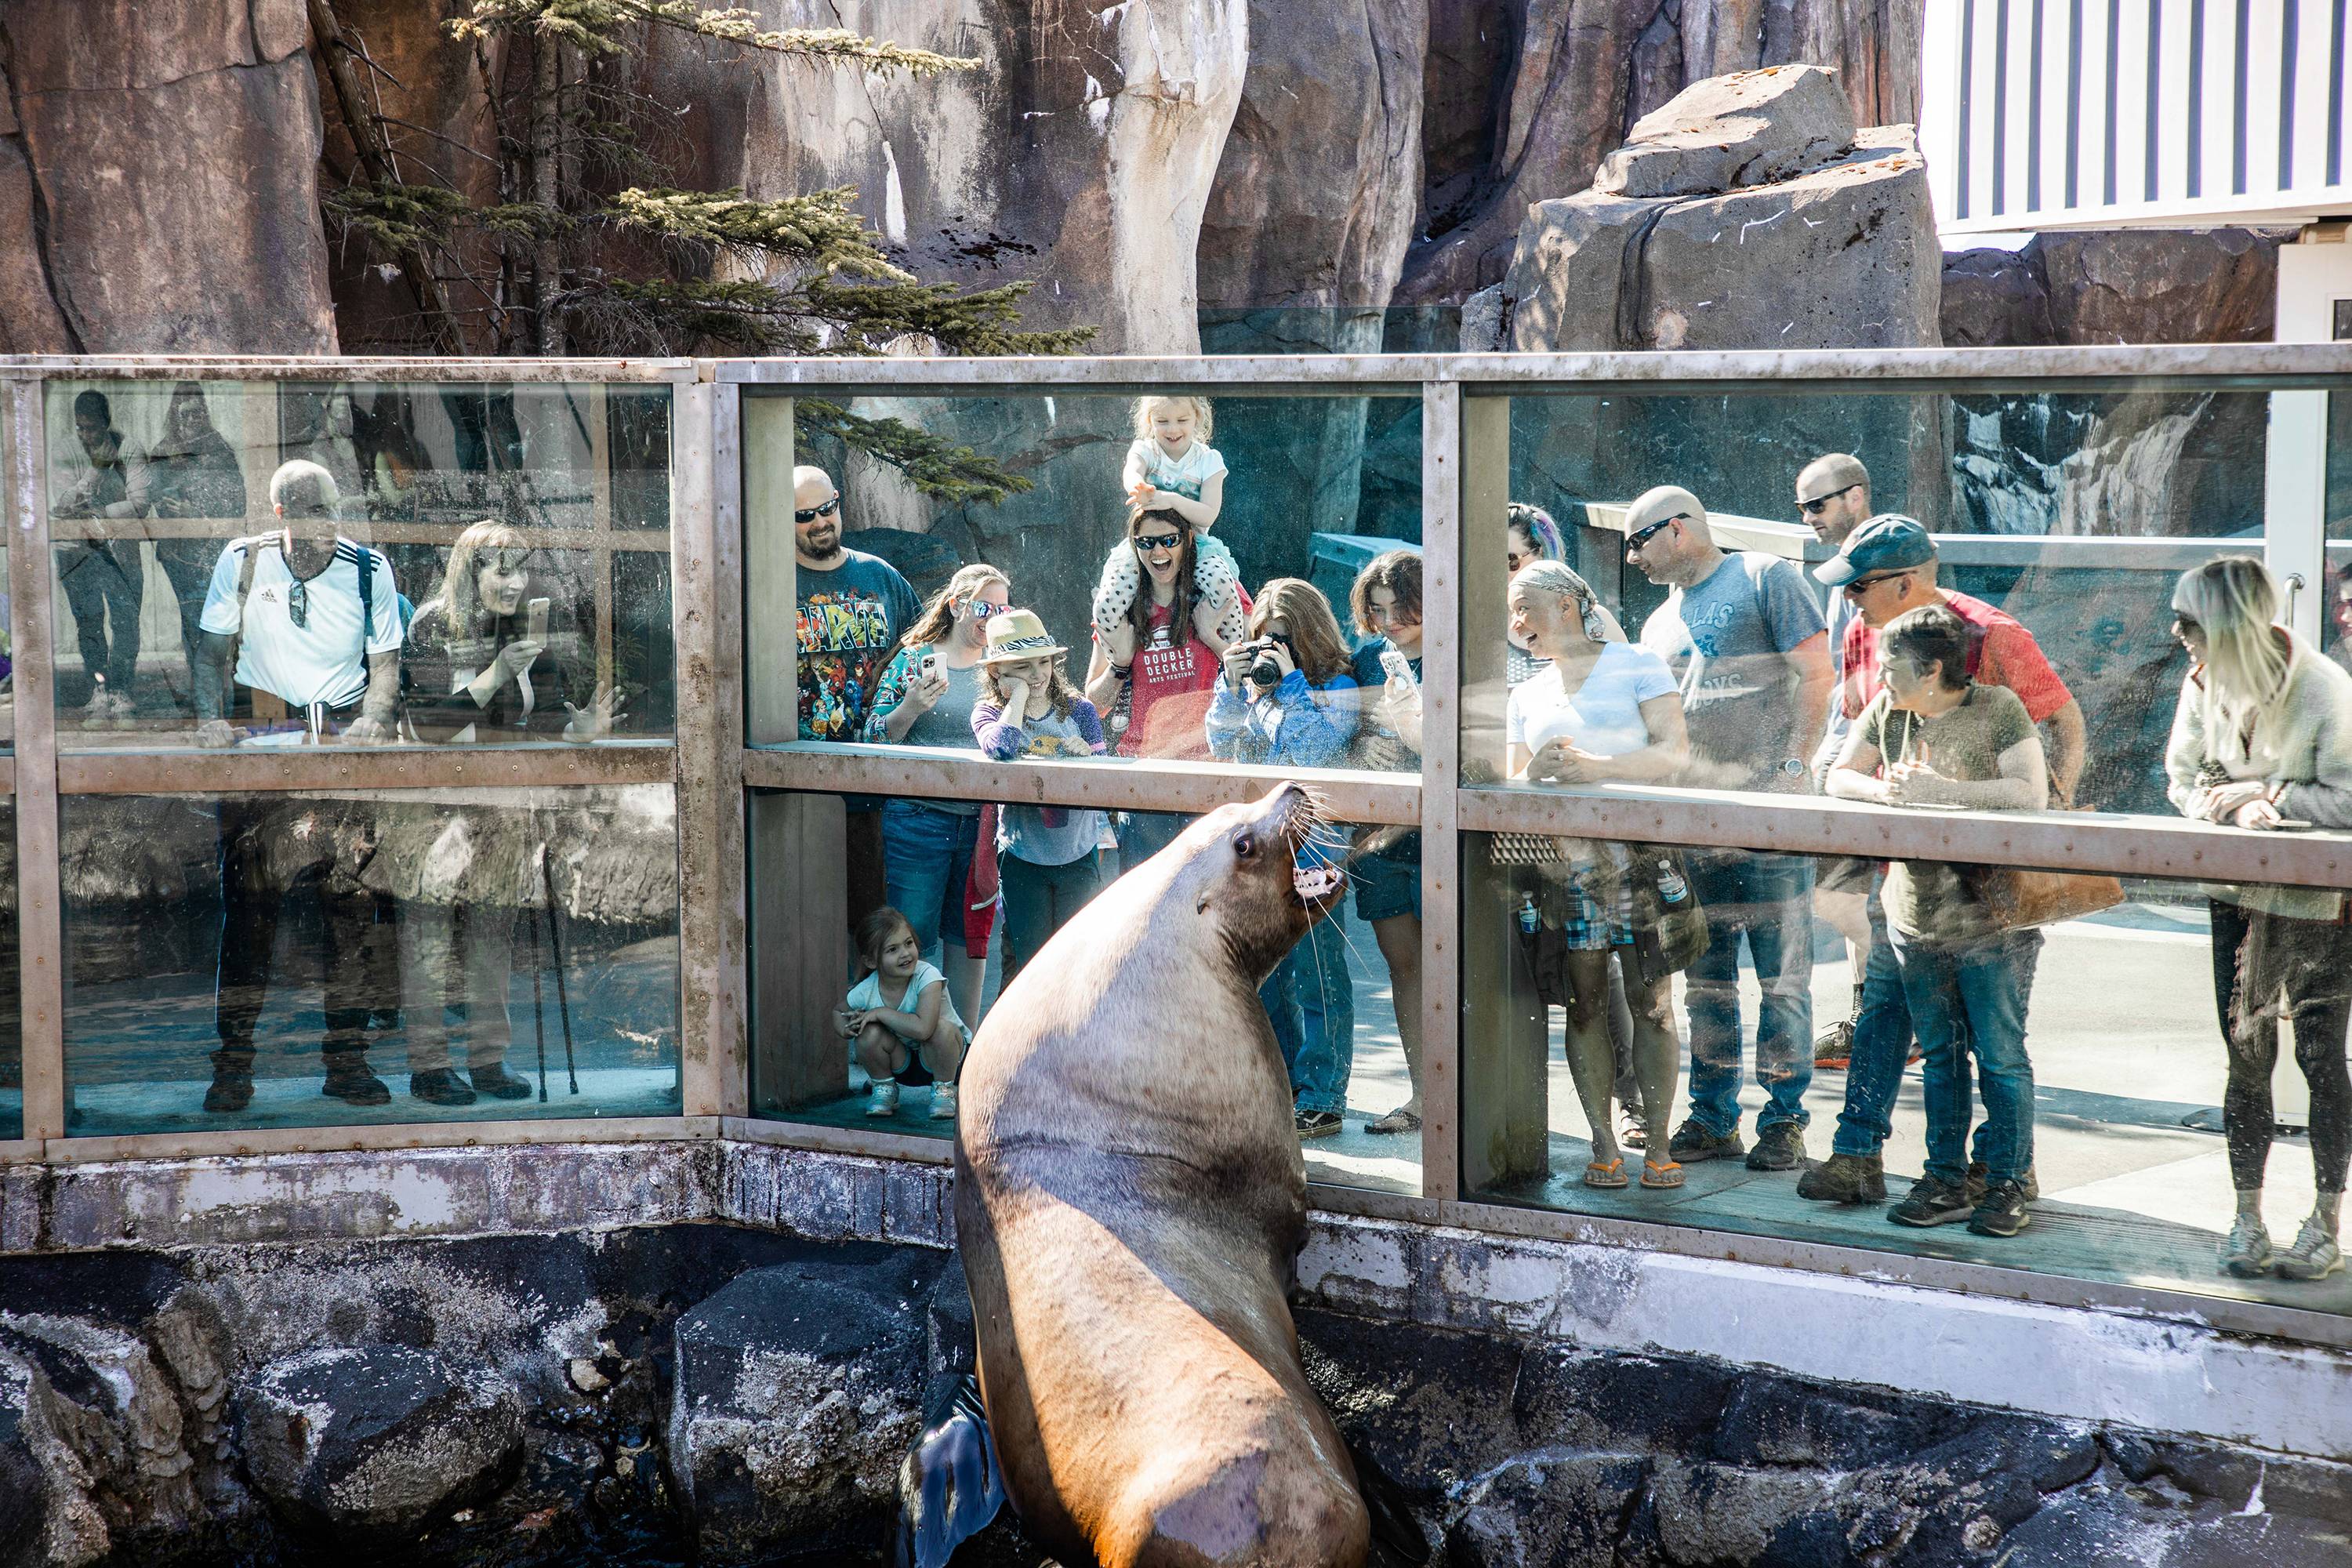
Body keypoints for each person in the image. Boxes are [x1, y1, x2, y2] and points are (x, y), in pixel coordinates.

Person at [1799, 514, 2083, 1210]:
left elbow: (2065, 725)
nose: (1848, 601)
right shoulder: (1872, 630)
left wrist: (2035, 838)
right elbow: (1861, 735)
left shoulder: (1998, 640)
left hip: (1992, 891)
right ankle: (1861, 1154)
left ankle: (2002, 1171)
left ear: (1907, 583)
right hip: (1903, 878)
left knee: (1995, 1037)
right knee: (1888, 1014)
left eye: (1859, 586)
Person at [1624, 485, 1831, 1174]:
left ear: (1676, 529)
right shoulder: (1657, 625)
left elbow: (1815, 671)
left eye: (1638, 541)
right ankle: (1714, 1118)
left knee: (1783, 981)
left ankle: (1784, 1122)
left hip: (1768, 820)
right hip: (1695, 831)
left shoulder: (1764, 575)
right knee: (1706, 984)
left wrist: (1795, 766)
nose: (1632, 557)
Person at [1828, 604, 2050, 1240]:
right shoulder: (1889, 711)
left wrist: (1940, 791)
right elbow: (1839, 774)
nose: (1880, 677)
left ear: (1931, 670)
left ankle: (2005, 1182)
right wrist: (1885, 791)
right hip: (1914, 918)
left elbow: (2027, 793)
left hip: (1988, 921)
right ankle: (1945, 1179)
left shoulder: (1996, 708)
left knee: (2001, 1057)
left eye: (1891, 666)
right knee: (1944, 1058)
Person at [195, 461, 405, 1114]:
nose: (320, 530)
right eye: (306, 515)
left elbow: (386, 664)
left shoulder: (368, 570)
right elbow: (210, 652)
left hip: (341, 758)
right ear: (280, 512)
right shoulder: (244, 561)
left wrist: (374, 717)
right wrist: (209, 718)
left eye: (330, 514)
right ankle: (233, 1065)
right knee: (250, 916)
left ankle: (347, 1060)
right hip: (262, 753)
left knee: (348, 914)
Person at [2164, 557, 2352, 1282]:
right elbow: (2184, 778)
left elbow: (2349, 797)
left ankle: (2325, 1220)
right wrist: (2227, 804)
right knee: (2245, 1059)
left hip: (2316, 904)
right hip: (2236, 895)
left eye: (2190, 622)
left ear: (2230, 626)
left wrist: (2268, 795)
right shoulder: (2203, 683)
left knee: (2320, 1059)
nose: (2178, 634)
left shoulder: (2322, 689)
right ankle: (2247, 1216)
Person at [388, 520, 620, 1105]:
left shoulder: (526, 628)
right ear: (471, 572)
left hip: (502, 806)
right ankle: (429, 1065)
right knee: (430, 937)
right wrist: (499, 672)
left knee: (493, 935)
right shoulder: (433, 623)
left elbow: (537, 720)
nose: (515, 582)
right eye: (502, 569)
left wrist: (578, 731)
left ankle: (489, 1059)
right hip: (432, 805)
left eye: (522, 569)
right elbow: (430, 726)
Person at [1505, 561, 1693, 1189]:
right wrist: (1530, 774)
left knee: (1653, 1003)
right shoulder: (1525, 693)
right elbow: (1505, 784)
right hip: (1566, 868)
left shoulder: (1638, 663)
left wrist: (1599, 768)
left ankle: (1660, 1145)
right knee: (1584, 1003)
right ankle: (1604, 1143)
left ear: (1565, 605)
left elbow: (1674, 753)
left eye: (1524, 606)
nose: (1516, 622)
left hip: (1640, 858)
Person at [1206, 579, 1361, 1138]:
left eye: (1284, 639)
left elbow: (1320, 753)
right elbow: (1222, 748)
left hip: (1317, 853)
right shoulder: (1253, 694)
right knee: (1267, 978)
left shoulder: (1337, 686)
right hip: (1261, 859)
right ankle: (1285, 1086)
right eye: (1264, 639)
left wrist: (1291, 682)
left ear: (1309, 637)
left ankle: (1324, 1095)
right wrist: (1230, 686)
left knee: (1319, 978)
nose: (1271, 649)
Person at [863, 563, 1011, 1029]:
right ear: (956, 606)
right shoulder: (915, 659)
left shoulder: (1004, 665)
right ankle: (903, 1050)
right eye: (985, 606)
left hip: (983, 825)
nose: (995, 616)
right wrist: (910, 707)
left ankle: (961, 1051)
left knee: (968, 936)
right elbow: (871, 739)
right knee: (910, 938)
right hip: (918, 820)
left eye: (1005, 608)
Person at [1795, 453, 1881, 1070]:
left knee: (1841, 894)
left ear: (1855, 497)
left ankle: (1883, 1011)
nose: (1806, 518)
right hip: (1844, 746)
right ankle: (1871, 1010)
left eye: (1816, 505)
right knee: (1842, 891)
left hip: (1873, 750)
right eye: (1801, 508)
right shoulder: (1841, 571)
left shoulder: (1881, 560)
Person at [1085, 506, 1229, 869]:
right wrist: (1120, 662)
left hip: (1210, 772)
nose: (1158, 552)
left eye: (1169, 540)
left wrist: (1211, 637)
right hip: (1145, 775)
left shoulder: (1219, 596)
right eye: (1146, 542)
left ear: (1188, 540)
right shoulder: (1120, 610)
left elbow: (1256, 683)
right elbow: (1094, 704)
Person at [971, 611, 1111, 980]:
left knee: (1077, 963)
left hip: (1078, 855)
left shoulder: (1080, 711)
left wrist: (1088, 759)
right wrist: (1015, 700)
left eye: (1043, 662)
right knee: (1029, 966)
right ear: (996, 672)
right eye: (1022, 666)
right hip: (1022, 858)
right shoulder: (989, 711)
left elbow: (1105, 783)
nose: (1037, 675)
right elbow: (1000, 748)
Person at [1348, 550, 1428, 1135]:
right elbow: (1342, 730)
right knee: (1405, 969)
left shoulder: (1458, 652)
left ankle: (1465, 1095)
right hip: (1380, 841)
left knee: (1460, 969)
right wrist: (1361, 750)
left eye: (1401, 606)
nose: (1390, 620)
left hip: (1445, 831)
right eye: (1377, 610)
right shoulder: (1368, 658)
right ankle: (1424, 1095)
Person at [1091, 395, 1245, 650]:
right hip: (1145, 545)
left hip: (1197, 546)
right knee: (1107, 604)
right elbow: (1132, 471)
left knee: (1223, 587)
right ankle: (1119, 662)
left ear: (1197, 417)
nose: (1172, 429)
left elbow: (1207, 515)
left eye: (1182, 420)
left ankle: (1236, 661)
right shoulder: (1146, 450)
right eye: (1162, 421)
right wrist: (1138, 487)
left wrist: (1169, 499)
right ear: (1150, 421)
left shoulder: (1209, 460)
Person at [146, 383, 252, 713]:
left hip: (216, 552)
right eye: (185, 414)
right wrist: (172, 506)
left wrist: (195, 511)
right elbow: (154, 494)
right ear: (175, 416)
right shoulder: (165, 449)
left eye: (197, 412)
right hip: (180, 554)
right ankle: (205, 705)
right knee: (194, 627)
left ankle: (221, 705)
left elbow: (236, 500)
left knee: (220, 630)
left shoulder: (218, 447)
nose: (192, 419)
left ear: (204, 413)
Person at [793, 464, 920, 741]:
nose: (819, 523)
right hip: (797, 759)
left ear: (838, 500)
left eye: (826, 508)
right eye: (804, 515)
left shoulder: (881, 575)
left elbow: (925, 650)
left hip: (882, 755)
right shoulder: (772, 587)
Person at [51, 390, 148, 724]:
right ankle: (100, 687)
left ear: (107, 424)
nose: (86, 435)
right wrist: (96, 470)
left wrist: (97, 511)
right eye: (81, 428)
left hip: (119, 547)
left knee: (125, 619)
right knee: (89, 621)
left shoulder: (131, 447)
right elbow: (62, 506)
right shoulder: (64, 450)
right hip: (74, 550)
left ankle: (121, 690)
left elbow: (139, 503)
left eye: (92, 428)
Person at [837, 906, 967, 1121]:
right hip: (903, 1064)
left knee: (941, 1029)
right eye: (892, 950)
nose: (905, 954)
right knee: (867, 1034)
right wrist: (846, 1029)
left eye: (908, 943)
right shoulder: (868, 988)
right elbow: (839, 1011)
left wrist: (880, 1013)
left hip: (947, 1060)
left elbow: (923, 1030)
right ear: (871, 961)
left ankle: (945, 1091)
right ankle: (884, 1088)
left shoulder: (927, 977)